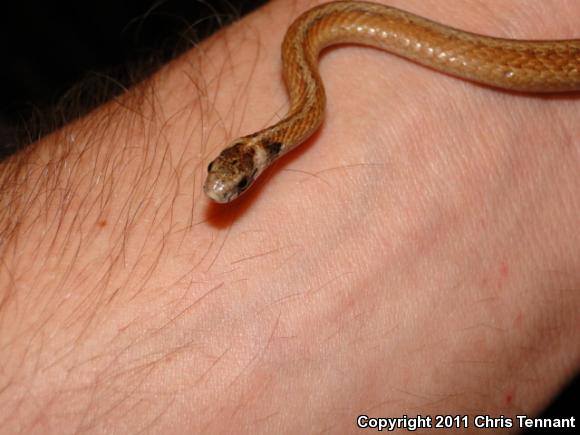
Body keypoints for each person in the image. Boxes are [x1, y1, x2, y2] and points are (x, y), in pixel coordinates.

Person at [0, 0, 578, 432]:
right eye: (222, 178)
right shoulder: (293, 91)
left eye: (236, 181)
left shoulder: (301, 104)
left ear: (258, 157)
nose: (221, 192)